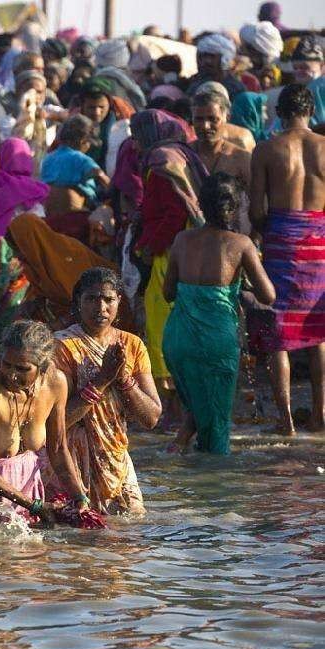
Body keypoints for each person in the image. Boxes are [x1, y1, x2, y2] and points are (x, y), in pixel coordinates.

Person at [163, 174, 276, 454]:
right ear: (236, 208)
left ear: (200, 204)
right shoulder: (242, 244)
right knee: (216, 425)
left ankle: (178, 455)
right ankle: (216, 489)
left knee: (199, 406)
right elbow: (268, 296)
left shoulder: (182, 239)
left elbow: (168, 292)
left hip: (178, 340)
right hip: (216, 342)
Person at [248, 84, 325, 434]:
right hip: (320, 243)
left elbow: (256, 210)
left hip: (281, 242)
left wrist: (265, 232)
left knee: (280, 333)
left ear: (279, 112)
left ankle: (286, 421)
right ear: (312, 111)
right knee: (318, 332)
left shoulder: (266, 149)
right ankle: (320, 415)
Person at [55, 268, 162, 514]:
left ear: (119, 302)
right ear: (78, 302)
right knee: (79, 528)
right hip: (71, 455)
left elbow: (151, 418)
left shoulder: (132, 345)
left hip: (116, 452)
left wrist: (123, 379)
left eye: (108, 299)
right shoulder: (61, 346)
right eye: (91, 299)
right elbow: (59, 422)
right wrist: (103, 379)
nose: (100, 307)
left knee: (131, 527)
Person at [129, 109, 208, 410]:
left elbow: (174, 214)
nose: (135, 146)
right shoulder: (175, 155)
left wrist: (148, 246)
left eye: (137, 139)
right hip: (185, 251)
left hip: (171, 252)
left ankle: (173, 401)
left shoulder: (161, 163)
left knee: (161, 319)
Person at [0, 320, 90, 522]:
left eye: (22, 369)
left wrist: (79, 497)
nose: (11, 375)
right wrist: (35, 506)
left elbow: (57, 448)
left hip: (32, 493)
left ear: (43, 367)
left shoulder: (56, 384)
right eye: (6, 364)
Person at [40, 115, 110, 224]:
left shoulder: (48, 158)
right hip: (74, 215)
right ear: (83, 141)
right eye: (89, 143)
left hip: (49, 213)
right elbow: (100, 175)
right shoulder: (80, 158)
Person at [191, 88, 251, 183]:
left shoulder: (241, 158)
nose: (205, 126)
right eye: (199, 119)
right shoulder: (183, 155)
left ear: (227, 118)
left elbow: (255, 197)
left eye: (213, 119)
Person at [187, 33, 245, 100]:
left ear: (225, 59)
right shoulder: (197, 83)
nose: (206, 61)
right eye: (204, 56)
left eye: (212, 56)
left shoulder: (235, 88)